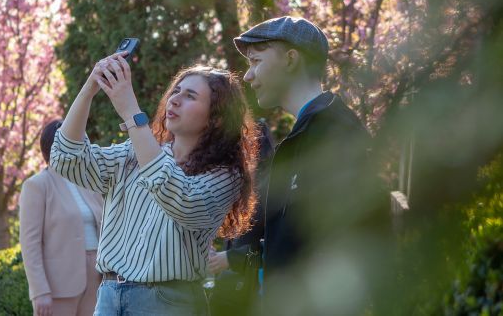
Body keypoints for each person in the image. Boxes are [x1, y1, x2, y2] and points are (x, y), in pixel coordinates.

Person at [49, 54, 259, 316]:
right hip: (109, 296)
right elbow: (66, 160)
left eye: (191, 96)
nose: (175, 99)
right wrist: (89, 88)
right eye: (176, 91)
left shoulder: (226, 174)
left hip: (167, 302)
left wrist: (131, 112)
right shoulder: (135, 151)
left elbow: (182, 200)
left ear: (217, 118)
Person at [233, 16, 371, 295]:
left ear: (290, 59)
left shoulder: (332, 132)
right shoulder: (309, 129)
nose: (247, 76)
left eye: (256, 61)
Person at [19, 120, 104, 316]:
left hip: (98, 279)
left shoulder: (89, 182)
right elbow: (30, 243)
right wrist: (39, 291)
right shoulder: (37, 185)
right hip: (58, 286)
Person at [207, 120, 274, 316]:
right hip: (230, 293)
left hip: (258, 298)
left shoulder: (273, 188)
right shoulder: (241, 187)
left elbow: (277, 246)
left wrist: (231, 258)